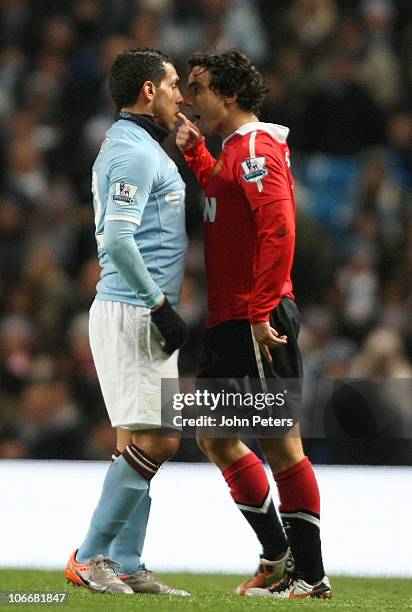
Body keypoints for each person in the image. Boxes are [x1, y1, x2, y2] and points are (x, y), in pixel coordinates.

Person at [176, 49, 332, 599]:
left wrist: (264, 309)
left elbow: (280, 229)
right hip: (230, 318)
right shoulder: (233, 153)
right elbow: (227, 205)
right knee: (215, 437)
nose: (189, 100)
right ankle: (279, 555)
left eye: (198, 89)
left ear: (230, 95)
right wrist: (198, 157)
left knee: (283, 444)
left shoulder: (256, 148)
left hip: (253, 317)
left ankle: (310, 577)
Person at [65, 47, 189, 596]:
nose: (180, 95)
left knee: (133, 441)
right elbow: (116, 239)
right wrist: (159, 306)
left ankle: (127, 561)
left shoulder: (133, 146)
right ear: (148, 91)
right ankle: (91, 556)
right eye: (173, 84)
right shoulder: (135, 154)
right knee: (159, 441)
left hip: (134, 309)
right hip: (137, 309)